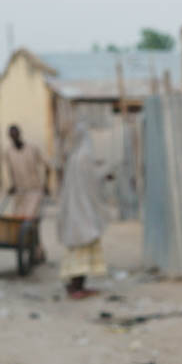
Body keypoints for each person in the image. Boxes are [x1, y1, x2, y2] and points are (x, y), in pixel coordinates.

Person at [56, 125, 109, 299]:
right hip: (84, 210)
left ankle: (75, 285)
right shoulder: (84, 157)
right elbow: (92, 181)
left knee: (76, 249)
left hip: (73, 209)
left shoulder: (73, 158)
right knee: (84, 247)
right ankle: (77, 287)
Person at [4, 124, 49, 220]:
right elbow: (11, 171)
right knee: (17, 219)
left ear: (19, 134)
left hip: (34, 190)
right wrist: (12, 186)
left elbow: (46, 165)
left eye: (15, 134)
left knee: (29, 218)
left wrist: (46, 184)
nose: (14, 136)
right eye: (12, 135)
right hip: (19, 192)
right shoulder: (8, 152)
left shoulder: (32, 149)